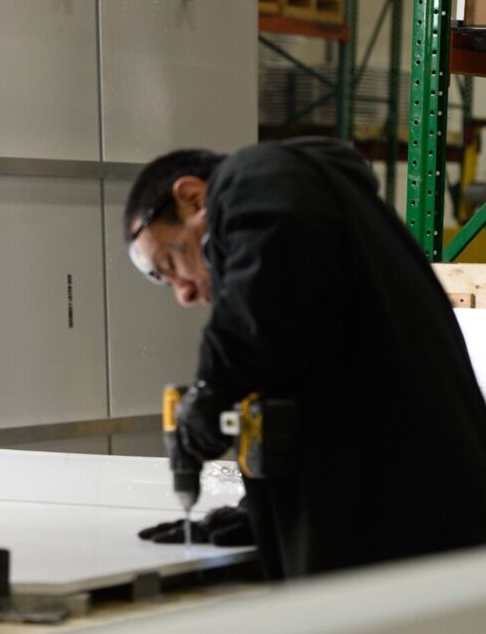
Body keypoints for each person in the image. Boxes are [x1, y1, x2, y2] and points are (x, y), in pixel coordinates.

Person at [125, 137, 486, 579]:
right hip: (399, 523)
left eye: (170, 263)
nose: (182, 293)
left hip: (407, 538)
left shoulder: (257, 176)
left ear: (193, 197)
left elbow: (263, 291)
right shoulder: (320, 221)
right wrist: (261, 512)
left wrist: (210, 393)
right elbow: (311, 371)